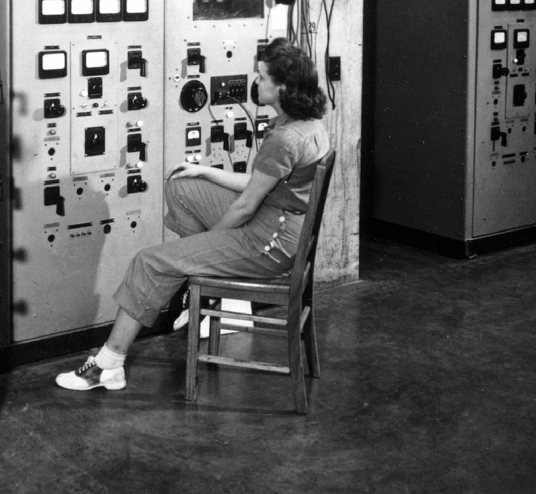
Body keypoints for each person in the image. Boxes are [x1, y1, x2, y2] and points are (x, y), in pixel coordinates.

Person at [56, 37, 331, 392]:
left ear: (282, 87)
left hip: (268, 241)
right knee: (181, 187)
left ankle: (109, 365)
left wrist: (206, 245)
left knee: (151, 261)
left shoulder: (284, 139)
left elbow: (246, 205)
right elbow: (260, 183)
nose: (256, 83)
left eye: (262, 78)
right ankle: (203, 287)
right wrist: (205, 171)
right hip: (282, 226)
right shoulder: (307, 126)